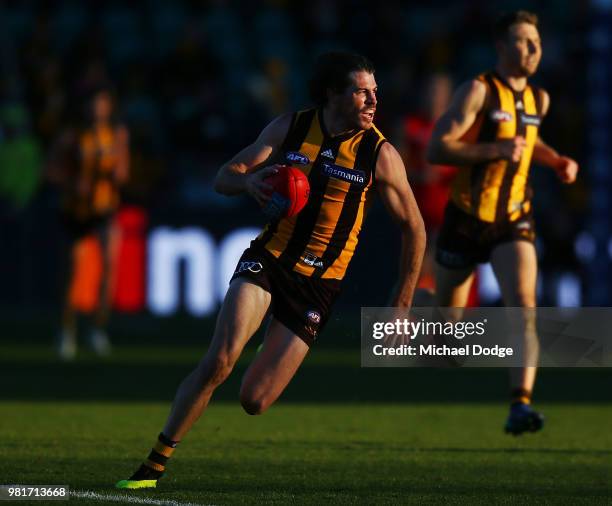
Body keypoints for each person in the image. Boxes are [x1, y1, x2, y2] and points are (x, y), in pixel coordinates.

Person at [116, 52, 425, 489]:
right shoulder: (292, 127)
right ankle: (154, 463)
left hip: (319, 285)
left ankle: (272, 341)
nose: (373, 99)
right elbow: (226, 175)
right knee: (220, 360)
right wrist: (248, 182)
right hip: (270, 260)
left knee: (254, 400)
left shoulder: (379, 154)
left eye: (375, 91)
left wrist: (402, 303)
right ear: (333, 94)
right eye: (361, 91)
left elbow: (415, 228)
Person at [427, 11, 579, 434]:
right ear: (501, 47)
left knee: (523, 307)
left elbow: (530, 142)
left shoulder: (538, 99)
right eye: (522, 42)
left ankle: (520, 404)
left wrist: (555, 161)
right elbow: (438, 149)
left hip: (513, 219)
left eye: (536, 43)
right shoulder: (477, 90)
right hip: (465, 218)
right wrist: (492, 150)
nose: (531, 50)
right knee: (448, 333)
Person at [49, 86, 130, 360]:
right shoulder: (72, 135)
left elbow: (123, 173)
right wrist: (72, 184)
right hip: (76, 211)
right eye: (94, 104)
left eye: (102, 104)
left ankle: (97, 329)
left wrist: (114, 168)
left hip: (105, 208)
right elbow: (52, 169)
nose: (97, 110)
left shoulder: (116, 135)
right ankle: (67, 329)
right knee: (72, 271)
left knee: (109, 266)